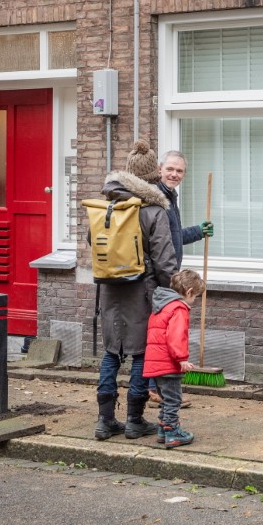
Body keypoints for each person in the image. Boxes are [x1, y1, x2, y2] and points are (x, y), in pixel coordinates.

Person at [93, 140, 179, 441]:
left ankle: (104, 422)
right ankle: (134, 420)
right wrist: (173, 291)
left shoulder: (105, 205)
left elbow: (93, 244)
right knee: (141, 353)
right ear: (153, 176)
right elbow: (165, 259)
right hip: (142, 291)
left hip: (109, 289)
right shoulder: (153, 210)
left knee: (111, 353)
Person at [147, 149, 213, 409]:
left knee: (163, 334)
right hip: (163, 276)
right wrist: (170, 277)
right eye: (170, 169)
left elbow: (173, 237)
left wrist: (198, 231)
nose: (175, 174)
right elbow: (158, 242)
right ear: (160, 169)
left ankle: (159, 390)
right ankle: (157, 390)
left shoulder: (171, 198)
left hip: (170, 274)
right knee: (163, 336)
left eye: (180, 171)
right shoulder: (157, 198)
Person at [143, 269, 205, 448]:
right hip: (168, 363)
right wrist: (181, 358)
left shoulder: (160, 306)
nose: (194, 301)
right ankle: (172, 432)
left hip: (155, 362)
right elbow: (176, 336)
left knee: (165, 398)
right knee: (174, 399)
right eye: (196, 297)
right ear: (189, 292)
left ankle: (163, 429)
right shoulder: (178, 308)